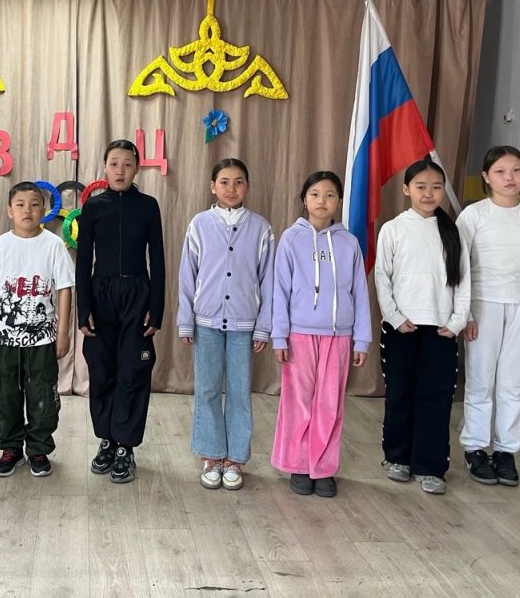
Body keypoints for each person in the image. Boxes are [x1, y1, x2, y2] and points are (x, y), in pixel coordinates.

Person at [456, 145, 520, 487]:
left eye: (516, 170)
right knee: (481, 379)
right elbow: (461, 268)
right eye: (500, 171)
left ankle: (505, 450)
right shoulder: (473, 216)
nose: (509, 177)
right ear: (486, 177)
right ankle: (475, 447)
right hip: (483, 305)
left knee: (513, 382)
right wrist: (466, 313)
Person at [271, 170, 371, 498]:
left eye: (329, 195)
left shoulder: (349, 243)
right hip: (299, 335)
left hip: (338, 337)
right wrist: (279, 336)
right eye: (315, 194)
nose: (322, 201)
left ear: (339, 201)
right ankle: (299, 465)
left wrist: (361, 338)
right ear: (304, 199)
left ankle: (323, 467)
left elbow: (359, 292)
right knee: (298, 402)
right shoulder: (291, 239)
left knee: (330, 405)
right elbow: (280, 290)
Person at [178, 158, 274, 491]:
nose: (231, 189)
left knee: (239, 391)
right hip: (205, 322)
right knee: (206, 389)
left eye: (238, 182)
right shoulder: (199, 224)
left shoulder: (261, 228)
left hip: (244, 324)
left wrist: (263, 326)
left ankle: (235, 458)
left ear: (247, 186)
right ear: (212, 187)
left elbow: (269, 281)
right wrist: (185, 320)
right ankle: (212, 454)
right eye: (224, 181)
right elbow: (187, 275)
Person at [375, 158, 469, 495]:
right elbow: (382, 277)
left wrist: (457, 321)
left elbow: (463, 281)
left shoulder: (452, 231)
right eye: (421, 187)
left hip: (440, 330)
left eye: (436, 187)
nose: (429, 193)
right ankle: (397, 457)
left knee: (436, 397)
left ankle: (430, 466)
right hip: (402, 328)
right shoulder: (393, 229)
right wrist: (394, 316)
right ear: (406, 190)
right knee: (400, 393)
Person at [76, 139, 165, 484]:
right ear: (105, 167)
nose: (120, 170)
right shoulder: (93, 207)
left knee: (133, 370)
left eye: (128, 164)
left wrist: (156, 308)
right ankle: (107, 440)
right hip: (101, 296)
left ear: (137, 168)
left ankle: (126, 445)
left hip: (137, 295)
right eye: (114, 163)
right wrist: (84, 307)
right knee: (101, 370)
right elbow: (84, 260)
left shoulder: (148, 206)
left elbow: (158, 259)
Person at [0, 182, 74, 478]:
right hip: (5, 339)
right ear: (10, 211)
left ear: (44, 210)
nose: (27, 210)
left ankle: (39, 449)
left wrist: (63, 332)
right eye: (20, 204)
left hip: (42, 340)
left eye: (34, 204)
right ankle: (11, 448)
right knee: (5, 395)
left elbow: (65, 289)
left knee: (43, 395)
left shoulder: (53, 245)